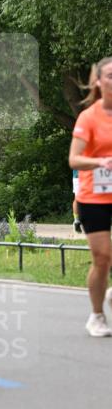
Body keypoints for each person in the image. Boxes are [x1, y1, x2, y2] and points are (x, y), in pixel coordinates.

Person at [69, 56, 112, 337]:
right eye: (109, 76)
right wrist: (99, 163)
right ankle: (96, 316)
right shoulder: (89, 117)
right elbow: (74, 159)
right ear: (98, 82)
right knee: (103, 258)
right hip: (94, 196)